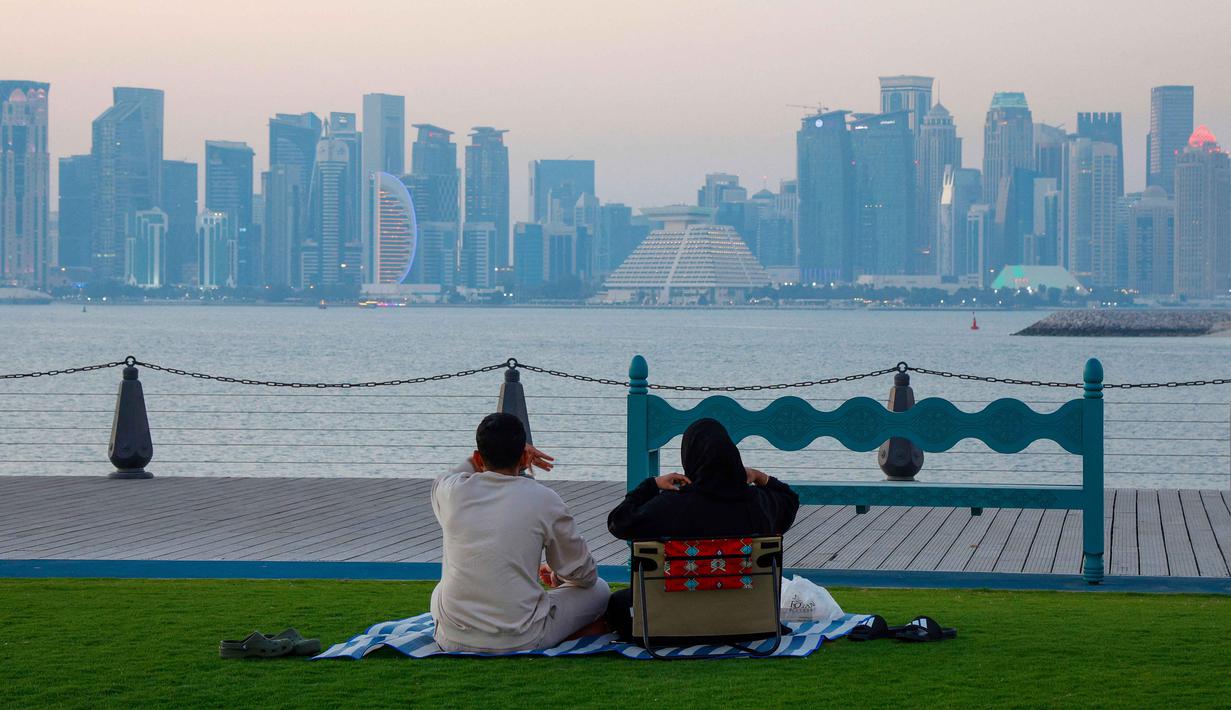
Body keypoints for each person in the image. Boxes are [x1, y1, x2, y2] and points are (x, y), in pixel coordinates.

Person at [605, 417, 800, 640]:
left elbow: (618, 522)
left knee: (618, 602)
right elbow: (789, 499)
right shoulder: (759, 504)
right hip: (747, 622)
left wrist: (652, 484)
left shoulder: (668, 506)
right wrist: (758, 476)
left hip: (671, 624)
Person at [430, 413, 610, 653]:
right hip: (522, 638)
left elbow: (447, 476)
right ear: (525, 457)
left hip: (452, 638)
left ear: (477, 457)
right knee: (600, 589)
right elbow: (583, 575)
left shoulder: (450, 491)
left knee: (441, 590)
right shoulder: (545, 499)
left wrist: (479, 459)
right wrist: (559, 577)